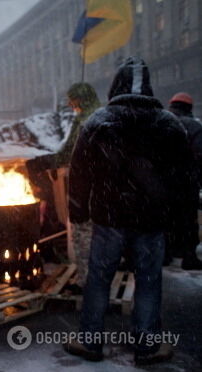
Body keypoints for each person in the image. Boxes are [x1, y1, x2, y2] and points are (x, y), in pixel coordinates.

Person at [64, 57, 194, 365]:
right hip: (151, 220)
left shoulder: (98, 121)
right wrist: (182, 224)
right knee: (148, 280)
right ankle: (147, 346)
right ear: (149, 86)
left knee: (99, 278)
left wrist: (78, 210)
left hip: (109, 218)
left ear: (115, 85)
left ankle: (90, 341)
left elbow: (79, 171)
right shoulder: (169, 124)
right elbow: (184, 180)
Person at [26, 82, 100, 293]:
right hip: (100, 188)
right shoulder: (101, 116)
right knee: (98, 235)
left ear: (81, 99)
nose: (70, 103)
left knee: (82, 235)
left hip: (86, 187)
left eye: (72, 99)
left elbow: (71, 151)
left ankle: (87, 282)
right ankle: (98, 276)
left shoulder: (85, 121)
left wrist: (45, 162)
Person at [166, 92, 202, 270]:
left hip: (163, 181)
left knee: (164, 219)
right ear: (189, 108)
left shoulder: (161, 122)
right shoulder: (195, 126)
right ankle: (189, 257)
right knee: (188, 220)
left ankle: (165, 254)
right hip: (187, 182)